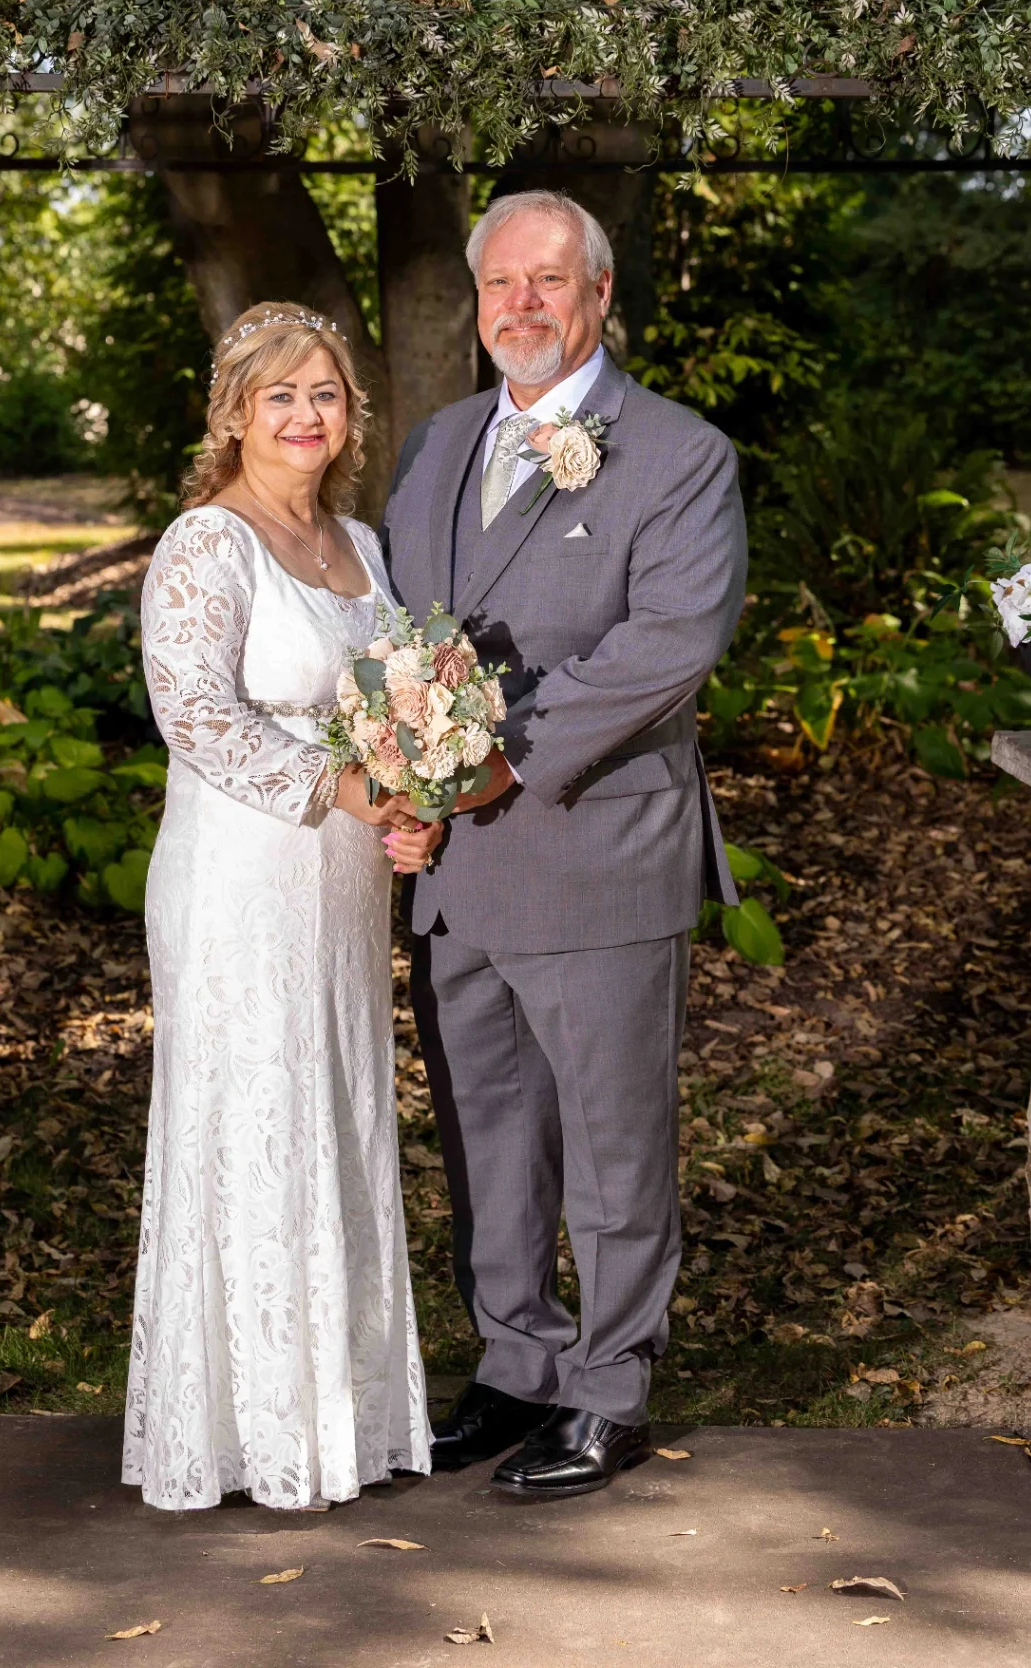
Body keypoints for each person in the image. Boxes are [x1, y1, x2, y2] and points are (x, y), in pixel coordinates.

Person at [383, 190, 748, 1499]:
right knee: (488, 1129)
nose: (519, 306)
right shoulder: (430, 446)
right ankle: (515, 1363)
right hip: (455, 867)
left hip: (592, 850)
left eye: (547, 282)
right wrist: (399, 757)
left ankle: (608, 1385)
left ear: (597, 295)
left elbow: (668, 645)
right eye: (498, 284)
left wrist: (499, 754)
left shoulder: (676, 453)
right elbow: (402, 627)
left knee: (607, 1136)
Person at [123, 303, 438, 1512]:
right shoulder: (207, 543)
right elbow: (194, 715)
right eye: (281, 397)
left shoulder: (362, 542)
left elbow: (401, 702)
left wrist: (417, 801)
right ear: (234, 414)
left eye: (327, 394)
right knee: (256, 1112)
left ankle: (338, 1422)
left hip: (349, 876)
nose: (307, 416)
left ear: (351, 413)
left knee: (338, 1106)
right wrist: (349, 788)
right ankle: (245, 1430)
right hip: (241, 870)